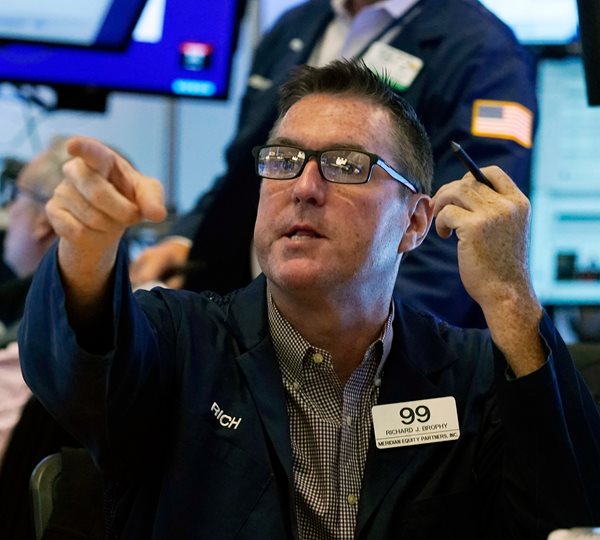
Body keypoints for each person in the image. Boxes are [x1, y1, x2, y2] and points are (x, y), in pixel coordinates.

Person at [20, 61, 599, 539]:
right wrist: (87, 250)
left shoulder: (470, 376)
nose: (303, 187)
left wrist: (509, 294)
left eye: (346, 165)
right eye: (283, 160)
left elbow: (569, 516)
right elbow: (73, 375)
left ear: (415, 222)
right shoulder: (181, 342)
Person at [130, 0, 538, 328]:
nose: (305, 186)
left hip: (374, 345)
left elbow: (463, 230)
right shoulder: (296, 25)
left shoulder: (482, 48)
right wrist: (187, 240)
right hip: (251, 327)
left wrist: (367, 342)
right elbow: (247, 169)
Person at [0, 137, 79, 539]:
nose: (8, 211)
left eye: (15, 195)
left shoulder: (37, 342)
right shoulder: (147, 317)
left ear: (45, 222)